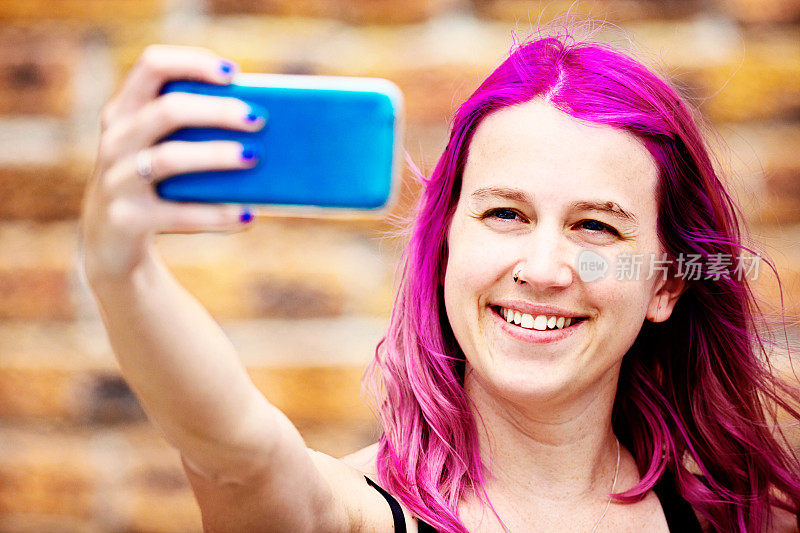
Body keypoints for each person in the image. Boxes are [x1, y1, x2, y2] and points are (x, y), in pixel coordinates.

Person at [79, 21, 800, 532]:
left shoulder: (746, 517)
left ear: (666, 284)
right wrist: (122, 269)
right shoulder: (351, 515)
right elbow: (236, 455)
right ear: (448, 243)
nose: (543, 269)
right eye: (506, 214)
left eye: (596, 227)